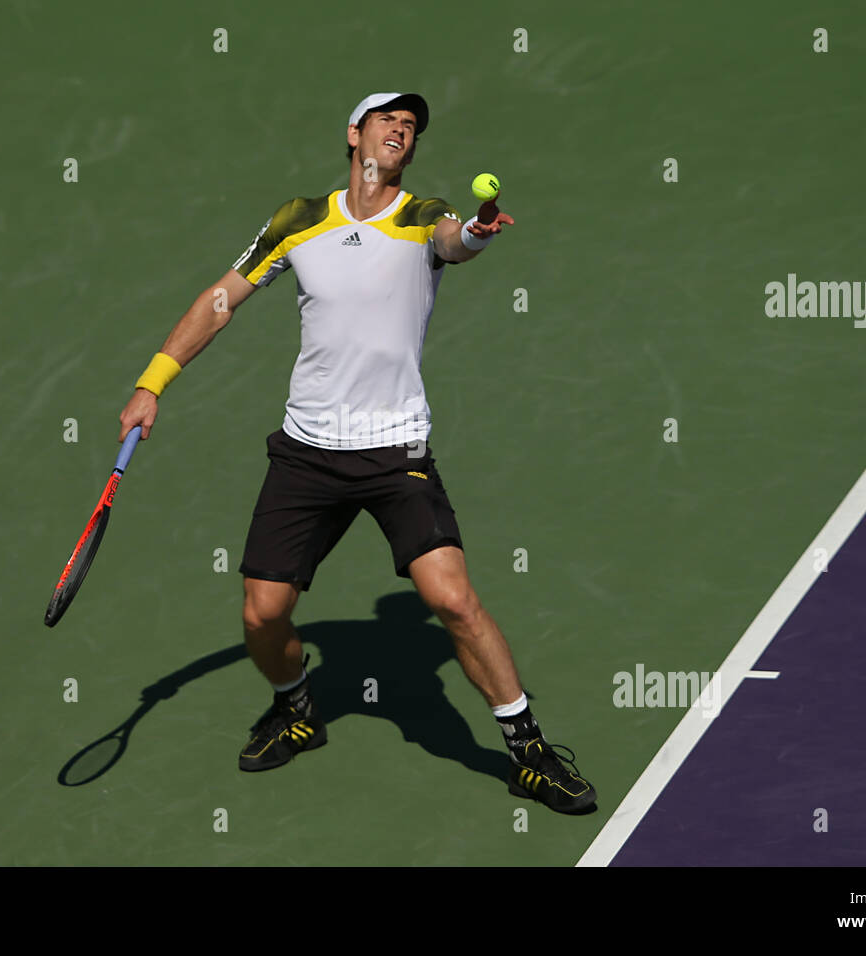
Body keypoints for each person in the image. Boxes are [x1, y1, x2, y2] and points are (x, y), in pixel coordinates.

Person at [118, 92, 595, 814]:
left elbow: (453, 241)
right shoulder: (298, 220)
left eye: (411, 126)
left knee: (455, 602)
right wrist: (154, 382)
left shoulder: (420, 214)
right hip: (307, 451)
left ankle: (528, 750)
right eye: (387, 120)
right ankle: (296, 708)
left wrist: (480, 231)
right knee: (261, 614)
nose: (401, 129)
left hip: (393, 450)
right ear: (354, 135)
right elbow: (222, 298)